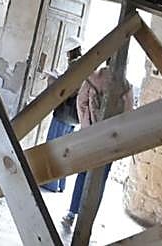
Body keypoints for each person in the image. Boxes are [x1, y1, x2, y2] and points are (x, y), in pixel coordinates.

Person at [61, 58, 134, 228]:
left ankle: (72, 213)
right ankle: (88, 219)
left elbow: (81, 103)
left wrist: (87, 126)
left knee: (83, 174)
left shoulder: (92, 78)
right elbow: (128, 112)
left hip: (90, 135)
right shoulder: (126, 85)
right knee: (100, 179)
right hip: (110, 139)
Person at [41, 45, 83, 192]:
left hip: (63, 114)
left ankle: (50, 183)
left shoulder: (74, 65)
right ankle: (60, 184)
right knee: (65, 151)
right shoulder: (84, 64)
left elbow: (68, 88)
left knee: (53, 148)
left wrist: (54, 79)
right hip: (73, 116)